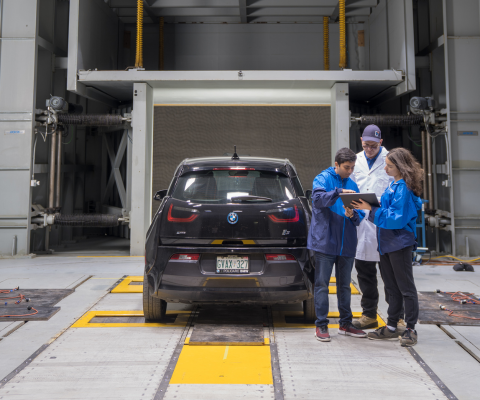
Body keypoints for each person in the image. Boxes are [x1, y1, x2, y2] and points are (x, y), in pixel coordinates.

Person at [352, 147, 423, 347]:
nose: (385, 168)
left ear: (400, 167)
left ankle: (410, 328)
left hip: (399, 244)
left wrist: (370, 209)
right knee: (392, 288)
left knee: (406, 288)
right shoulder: (394, 185)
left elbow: (396, 219)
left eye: (389, 166)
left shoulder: (405, 189)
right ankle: (391, 326)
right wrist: (371, 203)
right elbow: (387, 206)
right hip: (386, 244)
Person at [308, 147, 367, 342]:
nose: (349, 171)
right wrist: (339, 192)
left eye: (352, 168)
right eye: (346, 167)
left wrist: (353, 215)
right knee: (322, 284)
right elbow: (317, 200)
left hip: (347, 243)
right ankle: (322, 325)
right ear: (336, 165)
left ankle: (346, 324)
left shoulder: (353, 184)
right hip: (326, 242)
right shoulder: (323, 179)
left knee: (344, 286)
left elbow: (359, 217)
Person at [350, 125, 405, 331]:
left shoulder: (391, 161)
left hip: (384, 225)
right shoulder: (357, 160)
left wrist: (375, 204)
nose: (369, 149)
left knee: (391, 275)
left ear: (380, 142)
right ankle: (369, 315)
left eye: (373, 146)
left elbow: (398, 191)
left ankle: (397, 317)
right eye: (366, 146)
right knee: (364, 273)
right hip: (361, 225)